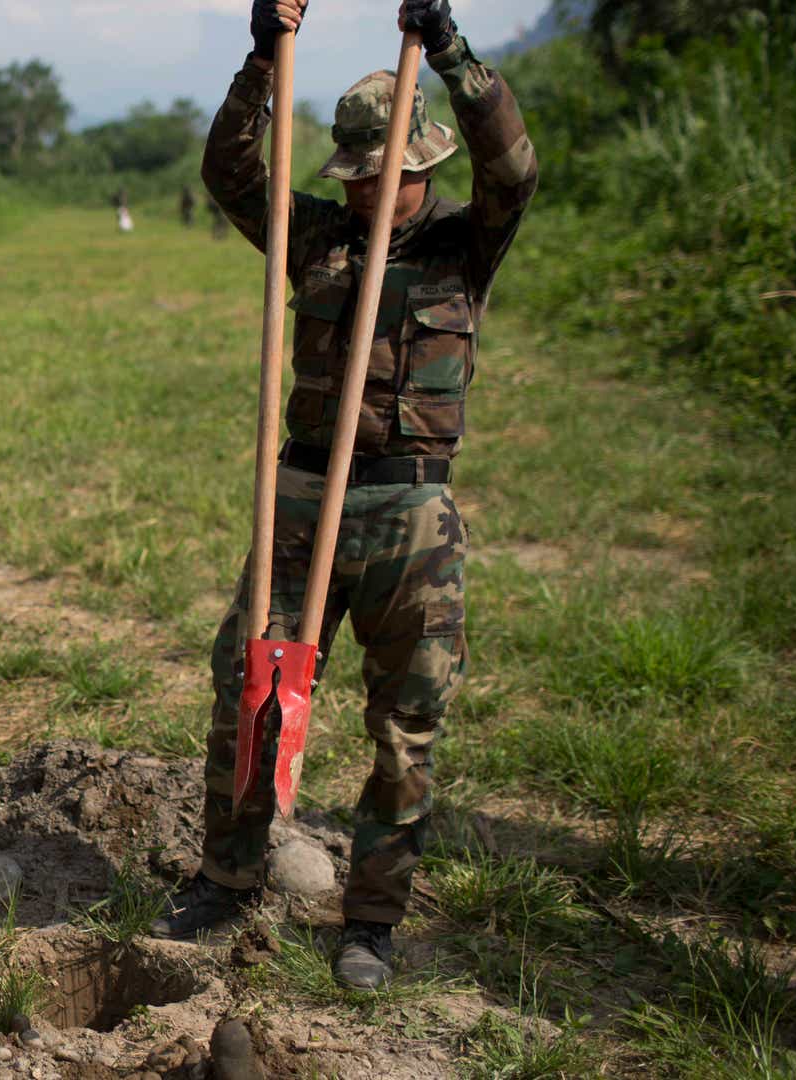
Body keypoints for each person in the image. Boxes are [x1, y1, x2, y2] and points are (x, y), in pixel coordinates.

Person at [151, 0, 537, 993]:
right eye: (355, 176)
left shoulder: (465, 243)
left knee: (405, 722)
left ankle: (371, 918)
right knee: (252, 689)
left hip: (412, 514)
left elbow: (513, 167)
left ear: (423, 166)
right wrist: (260, 57)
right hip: (302, 495)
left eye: (383, 176)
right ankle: (229, 877)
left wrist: (449, 51)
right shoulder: (314, 235)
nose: (365, 191)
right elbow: (231, 173)